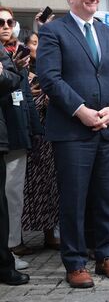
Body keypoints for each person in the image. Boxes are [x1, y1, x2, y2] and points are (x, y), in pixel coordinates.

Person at [37, 0, 109, 288]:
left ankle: (105, 255)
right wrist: (81, 111)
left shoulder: (107, 32)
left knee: (108, 196)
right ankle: (75, 262)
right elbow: (50, 78)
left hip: (108, 128)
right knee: (74, 199)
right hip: (73, 131)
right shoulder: (54, 32)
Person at [0, 8, 42, 267]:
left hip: (17, 130)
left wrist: (33, 129)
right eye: (0, 22)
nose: (5, 26)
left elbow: (24, 95)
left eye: (9, 21)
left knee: (13, 192)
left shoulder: (14, 54)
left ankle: (11, 245)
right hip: (5, 130)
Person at [18, 28, 60, 251]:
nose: (38, 46)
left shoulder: (47, 69)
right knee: (23, 188)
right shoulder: (20, 70)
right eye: (33, 42)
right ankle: (17, 238)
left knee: (49, 185)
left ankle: (49, 233)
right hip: (26, 135)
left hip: (47, 136)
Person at [0, 47, 29, 286]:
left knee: (6, 200)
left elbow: (12, 79)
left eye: (9, 23)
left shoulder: (5, 53)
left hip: (9, 135)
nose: (5, 28)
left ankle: (6, 257)